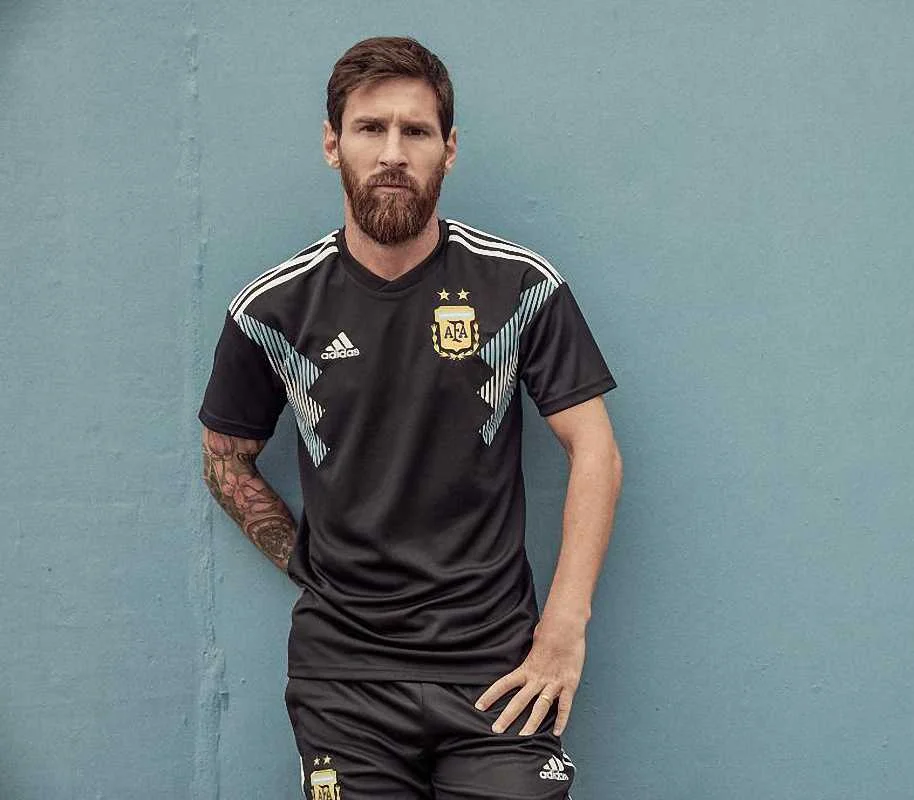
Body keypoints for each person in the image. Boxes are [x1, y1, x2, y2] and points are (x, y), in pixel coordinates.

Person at [198, 36, 621, 800]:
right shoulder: (272, 309)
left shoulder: (520, 288)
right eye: (371, 128)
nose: (393, 152)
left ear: (448, 150)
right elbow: (225, 456)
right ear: (333, 144)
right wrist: (306, 564)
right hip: (344, 681)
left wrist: (565, 626)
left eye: (416, 131)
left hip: (498, 671)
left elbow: (595, 448)